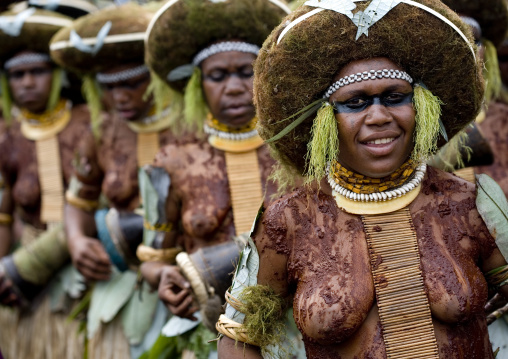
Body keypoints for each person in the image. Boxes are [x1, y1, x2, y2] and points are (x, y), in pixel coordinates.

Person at [216, 0, 508, 358]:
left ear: (421, 108)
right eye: (355, 103)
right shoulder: (289, 220)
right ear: (324, 121)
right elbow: (240, 335)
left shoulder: (470, 204)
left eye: (394, 97)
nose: (379, 116)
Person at [140, 0, 295, 357]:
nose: (235, 87)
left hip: (292, 328)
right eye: (218, 76)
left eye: (246, 72)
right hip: (204, 332)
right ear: (197, 85)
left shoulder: (296, 154)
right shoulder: (170, 162)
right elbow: (153, 258)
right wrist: (162, 279)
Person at [49, 3, 184, 358]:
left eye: (131, 83)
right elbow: (78, 199)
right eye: (108, 87)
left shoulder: (191, 126)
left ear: (155, 76)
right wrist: (77, 240)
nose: (119, 96)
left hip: (184, 277)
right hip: (120, 278)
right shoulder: (103, 130)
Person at [0, 6, 91, 359]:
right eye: (16, 74)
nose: (26, 83)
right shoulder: (6, 136)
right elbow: (3, 215)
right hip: (26, 272)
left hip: (88, 264)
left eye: (37, 71)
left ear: (58, 74)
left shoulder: (89, 124)